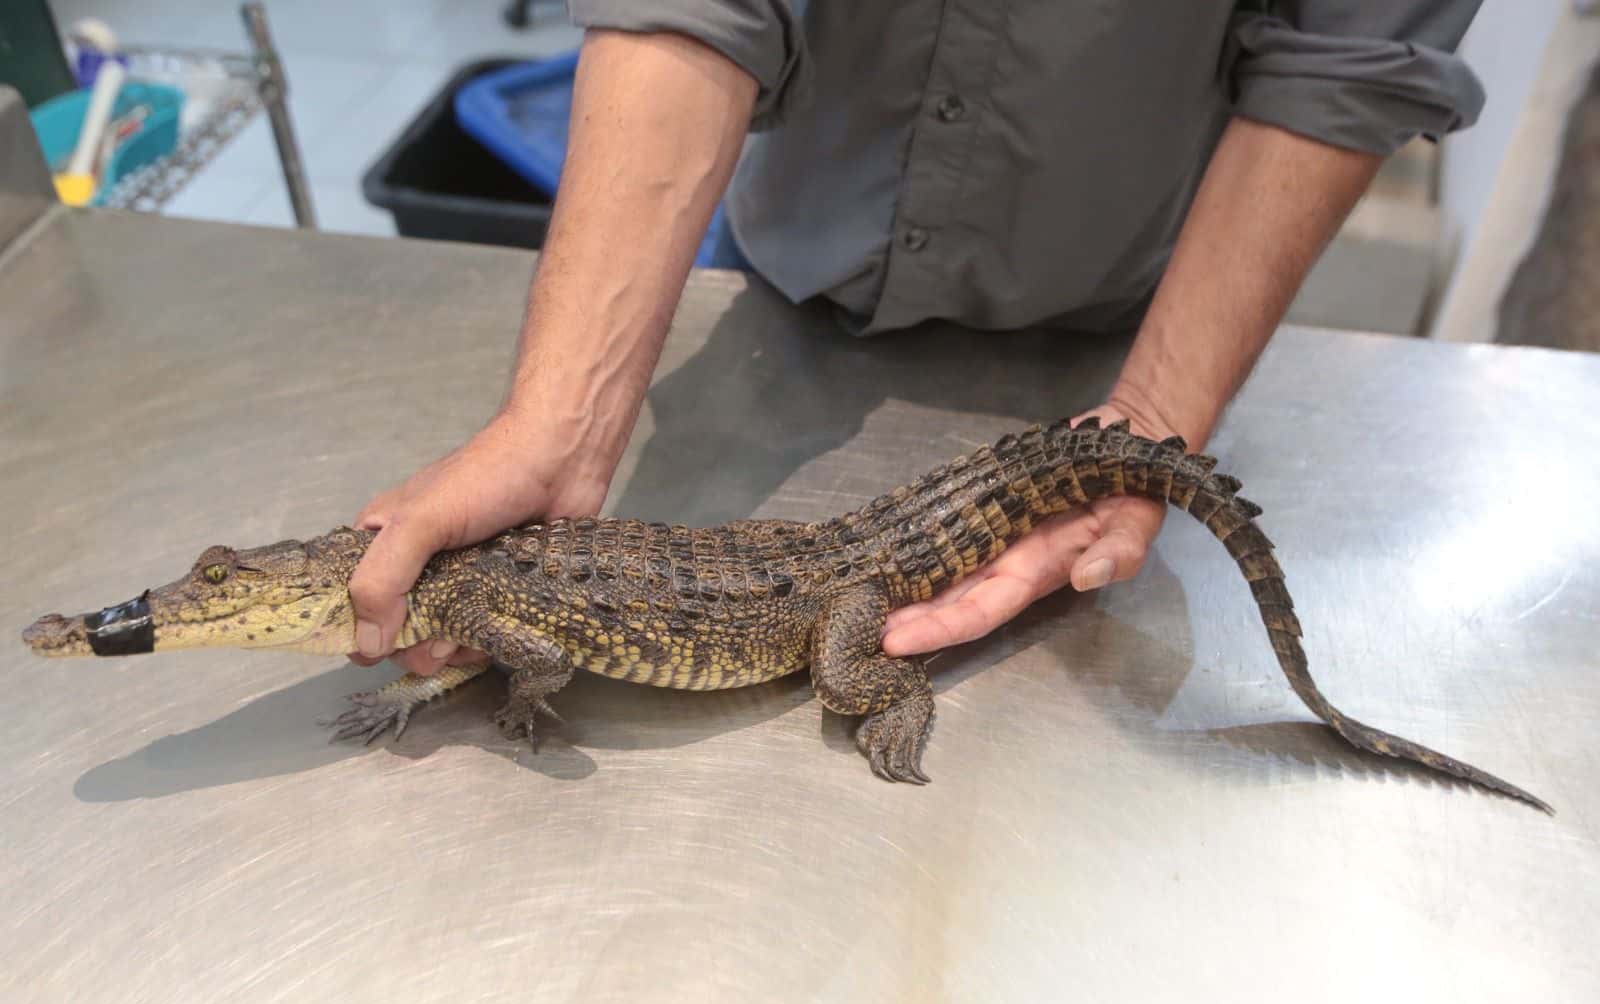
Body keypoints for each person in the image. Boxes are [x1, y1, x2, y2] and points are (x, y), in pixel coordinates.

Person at [347, 2, 1486, 676]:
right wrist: (560, 416)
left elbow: (1350, 49)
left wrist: (1156, 408)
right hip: (790, 267)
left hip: (1127, 307)